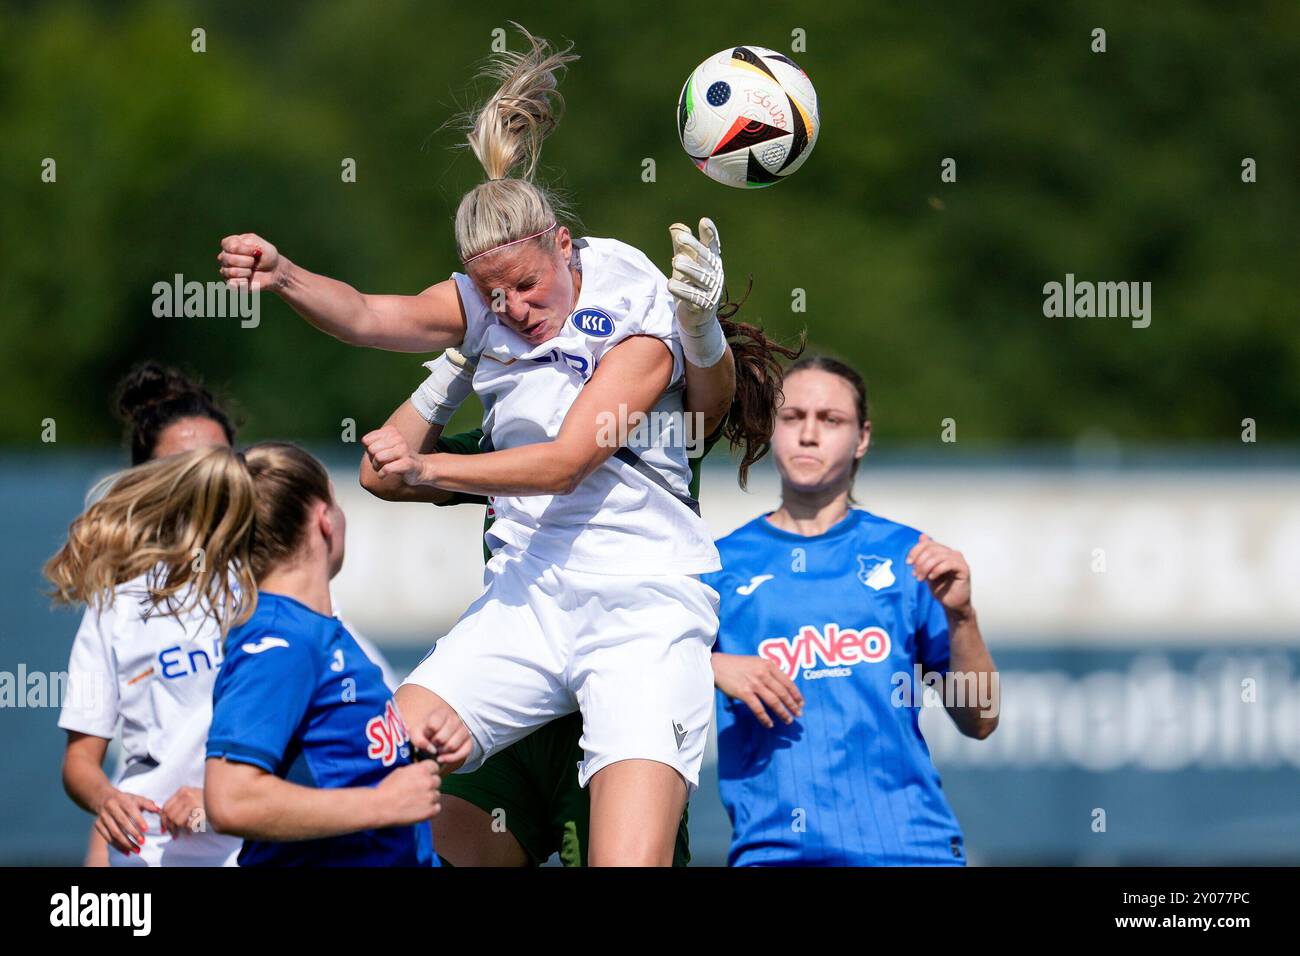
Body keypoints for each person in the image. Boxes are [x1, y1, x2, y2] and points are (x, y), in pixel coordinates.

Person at [215, 23, 756, 864]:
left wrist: (433, 467)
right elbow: (364, 314)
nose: (511, 307)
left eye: (526, 285)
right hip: (529, 596)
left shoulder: (636, 295)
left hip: (643, 603)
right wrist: (284, 274)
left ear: (564, 248)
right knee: (380, 760)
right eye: (490, 293)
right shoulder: (482, 305)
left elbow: (569, 459)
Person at [358, 285, 798, 866]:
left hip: (614, 717)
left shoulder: (663, 431)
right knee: (391, 829)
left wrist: (700, 326)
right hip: (508, 720)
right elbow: (383, 476)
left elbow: (712, 399)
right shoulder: (506, 446)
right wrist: (457, 361)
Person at [61, 362, 397, 866]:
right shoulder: (117, 603)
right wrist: (108, 802)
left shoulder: (269, 586)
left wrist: (219, 804)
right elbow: (81, 761)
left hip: (252, 850)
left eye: (219, 461)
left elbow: (360, 720)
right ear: (147, 481)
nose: (204, 480)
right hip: (152, 856)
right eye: (182, 467)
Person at [703, 356, 1000, 865]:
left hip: (910, 849)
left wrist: (962, 617)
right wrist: (710, 664)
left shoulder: (910, 557)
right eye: (793, 417)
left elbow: (981, 720)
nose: (809, 434)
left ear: (861, 437)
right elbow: (639, 667)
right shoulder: (718, 566)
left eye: (830, 419)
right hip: (774, 852)